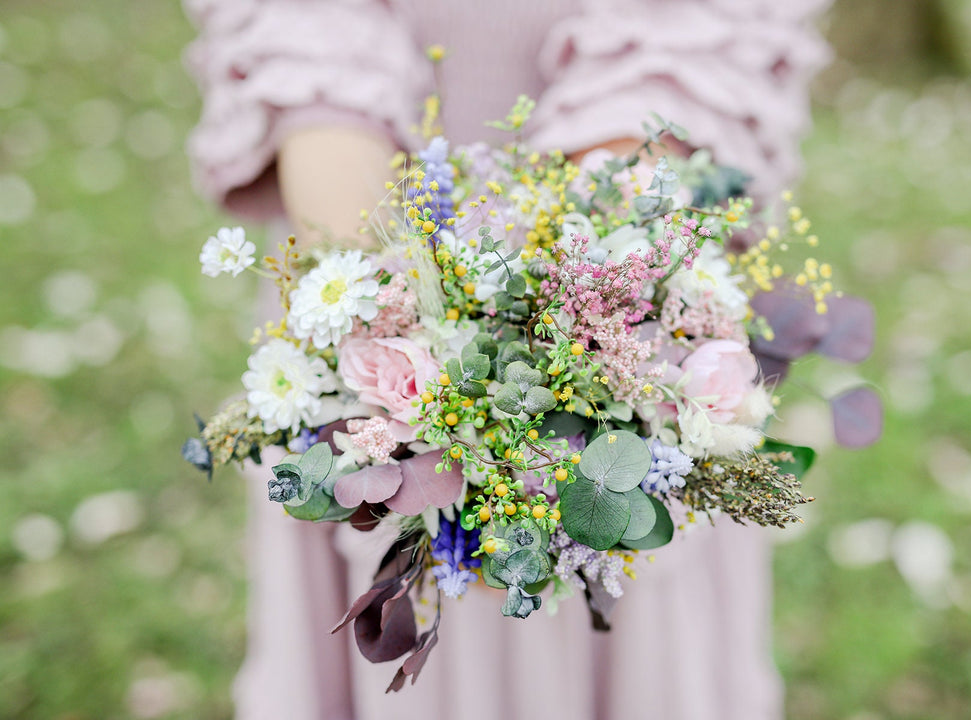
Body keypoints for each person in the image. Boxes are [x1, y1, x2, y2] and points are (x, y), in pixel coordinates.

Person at [183, 2, 831, 718]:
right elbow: (308, 37)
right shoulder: (361, 298)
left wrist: (584, 323)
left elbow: (681, 55)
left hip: (627, 302)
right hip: (354, 271)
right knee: (377, 524)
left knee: (623, 558)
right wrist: (381, 308)